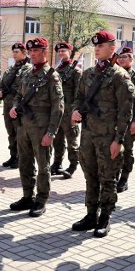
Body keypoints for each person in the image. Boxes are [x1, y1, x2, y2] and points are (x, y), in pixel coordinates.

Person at [71, 31, 135, 238]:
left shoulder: (119, 76)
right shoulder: (88, 74)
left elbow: (126, 112)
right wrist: (74, 111)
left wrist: (119, 140)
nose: (97, 49)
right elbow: (78, 97)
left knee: (108, 178)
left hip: (109, 138)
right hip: (88, 135)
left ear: (112, 47)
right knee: (90, 176)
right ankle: (91, 214)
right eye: (95, 46)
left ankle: (105, 217)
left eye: (102, 45)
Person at [8, 37, 64, 217]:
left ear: (44, 52)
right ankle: (27, 196)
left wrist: (51, 132)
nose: (32, 54)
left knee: (43, 166)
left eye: (36, 51)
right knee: (24, 163)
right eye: (30, 51)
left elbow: (58, 107)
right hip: (24, 126)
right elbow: (18, 94)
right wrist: (15, 107)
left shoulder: (51, 76)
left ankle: (41, 200)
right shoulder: (27, 73)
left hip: (41, 128)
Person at [115, 46, 135, 192]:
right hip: (114, 121)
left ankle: (124, 178)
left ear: (131, 59)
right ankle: (114, 176)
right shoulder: (114, 74)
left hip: (129, 122)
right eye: (119, 57)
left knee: (127, 150)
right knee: (114, 150)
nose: (121, 59)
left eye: (125, 57)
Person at [52, 41, 82, 179]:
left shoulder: (76, 71)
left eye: (63, 51)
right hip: (57, 112)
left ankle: (72, 165)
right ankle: (57, 163)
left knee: (72, 142)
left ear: (69, 52)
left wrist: (75, 112)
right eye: (58, 51)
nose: (60, 53)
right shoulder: (56, 71)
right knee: (57, 140)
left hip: (69, 111)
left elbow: (79, 94)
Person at [0, 43, 31, 169]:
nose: (14, 54)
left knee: (19, 133)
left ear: (24, 53)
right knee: (10, 132)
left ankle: (20, 157)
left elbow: (24, 88)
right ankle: (13, 155)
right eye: (14, 52)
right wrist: (0, 91)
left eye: (17, 52)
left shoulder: (28, 69)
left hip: (18, 106)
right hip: (7, 104)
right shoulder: (10, 69)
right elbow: (2, 83)